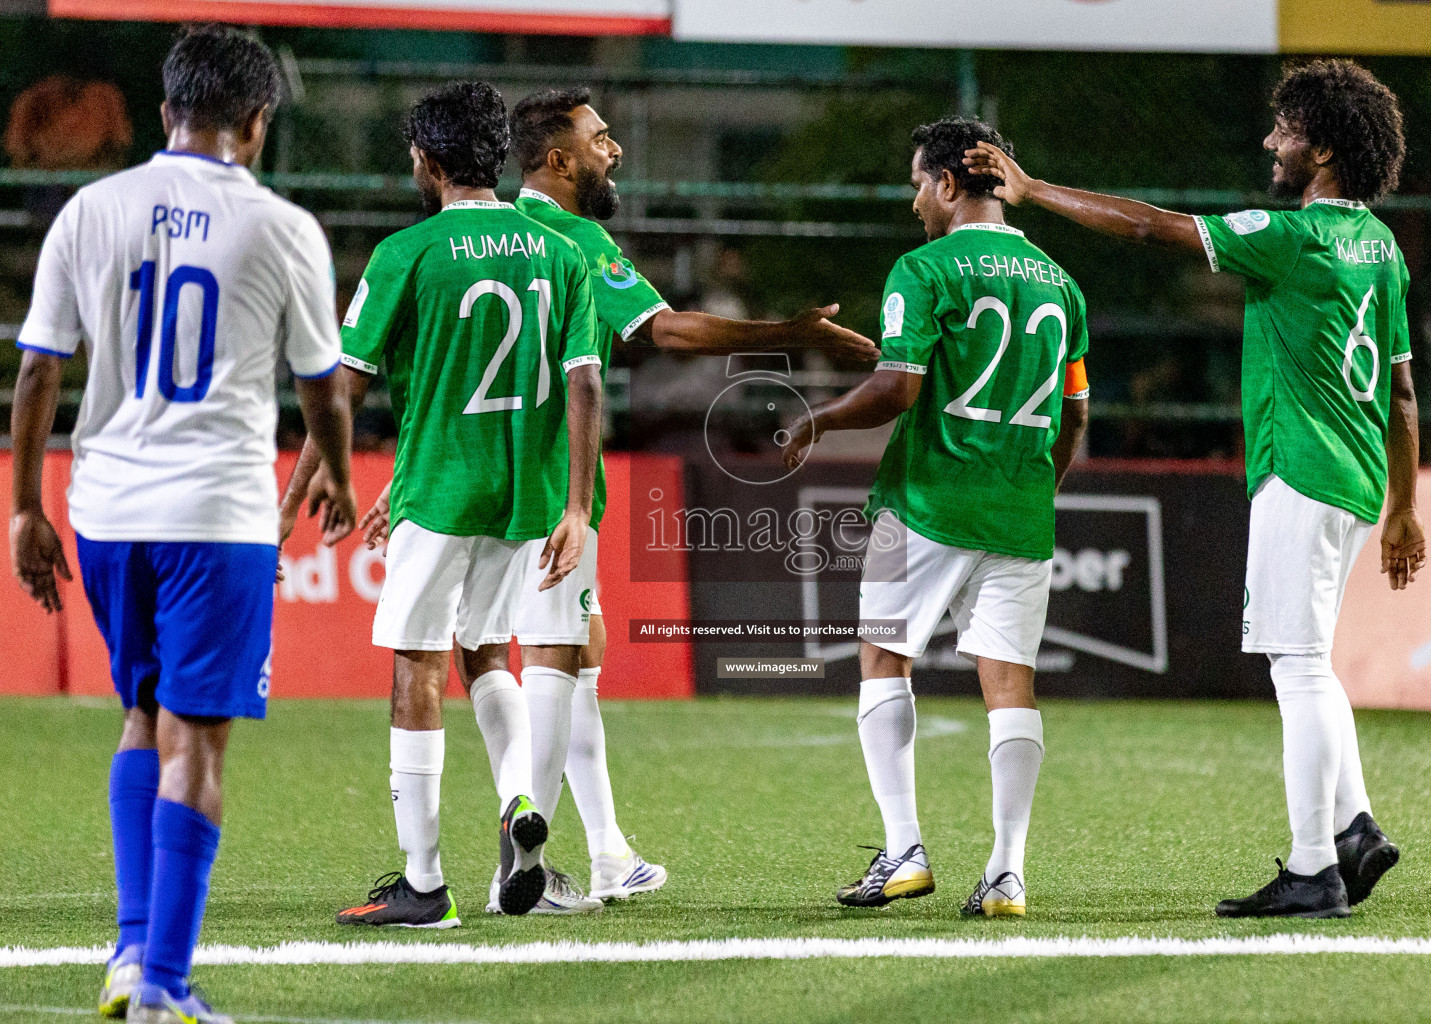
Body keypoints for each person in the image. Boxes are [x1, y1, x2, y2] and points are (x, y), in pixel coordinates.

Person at [358, 85, 879, 912]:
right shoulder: (563, 237)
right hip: (548, 496)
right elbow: (661, 331)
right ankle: (524, 868)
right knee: (556, 656)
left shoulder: (462, 238)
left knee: (542, 652)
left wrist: (405, 475)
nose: (617, 150)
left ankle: (605, 852)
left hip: (474, 482)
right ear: (557, 159)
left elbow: (455, 379)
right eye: (601, 139)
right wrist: (791, 333)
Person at [965, 58, 1423, 918]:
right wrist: (1404, 506)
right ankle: (1355, 828)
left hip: (1302, 470)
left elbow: (1148, 227)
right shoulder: (1381, 247)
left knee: (1298, 666)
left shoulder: (1294, 239)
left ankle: (1314, 865)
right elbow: (1401, 390)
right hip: (1359, 481)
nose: (1270, 140)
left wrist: (1031, 189)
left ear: (1322, 146)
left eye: (1284, 129)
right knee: (1313, 657)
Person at [8, 26, 356, 1024]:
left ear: (166, 111)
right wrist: (332, 465)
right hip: (216, 512)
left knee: (140, 717)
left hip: (108, 508)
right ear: (256, 123)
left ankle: (129, 952)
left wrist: (28, 503)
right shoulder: (285, 228)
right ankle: (164, 984)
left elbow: (39, 368)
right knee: (197, 742)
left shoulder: (91, 208)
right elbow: (322, 386)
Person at [281, 80, 603, 926]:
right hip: (526, 499)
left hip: (440, 490)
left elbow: (338, 391)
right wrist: (574, 506)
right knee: (489, 651)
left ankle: (423, 883)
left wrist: (301, 495)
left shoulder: (407, 253)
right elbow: (586, 385)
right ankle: (520, 803)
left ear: (426, 160)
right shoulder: (562, 255)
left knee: (415, 669)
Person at [781, 116, 1090, 918]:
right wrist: (1033, 483)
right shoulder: (1062, 281)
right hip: (1019, 510)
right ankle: (1008, 871)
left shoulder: (922, 270)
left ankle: (904, 850)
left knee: (883, 659)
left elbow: (897, 386)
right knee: (1011, 687)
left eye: (919, 182)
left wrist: (816, 419)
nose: (915, 199)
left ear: (950, 184)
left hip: (921, 504)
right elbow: (1078, 411)